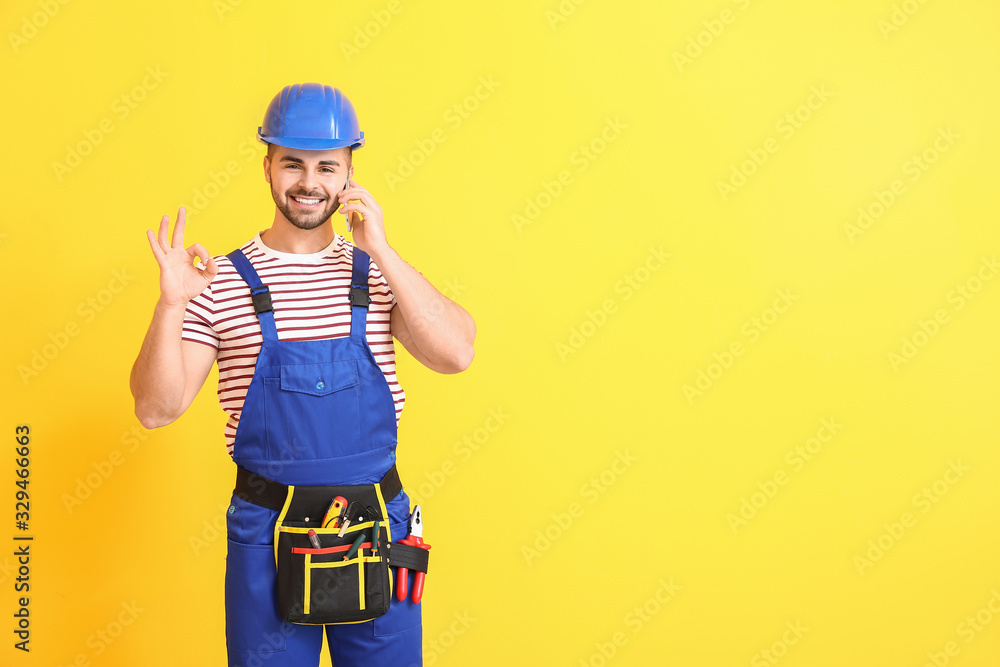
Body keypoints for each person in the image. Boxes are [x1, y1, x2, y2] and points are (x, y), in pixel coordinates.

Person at [129, 83, 475, 666]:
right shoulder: (217, 282)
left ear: (348, 176)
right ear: (267, 166)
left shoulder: (377, 273)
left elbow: (456, 353)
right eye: (292, 163)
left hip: (376, 528)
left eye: (326, 167)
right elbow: (154, 409)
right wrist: (170, 307)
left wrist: (383, 250)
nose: (308, 182)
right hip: (267, 533)